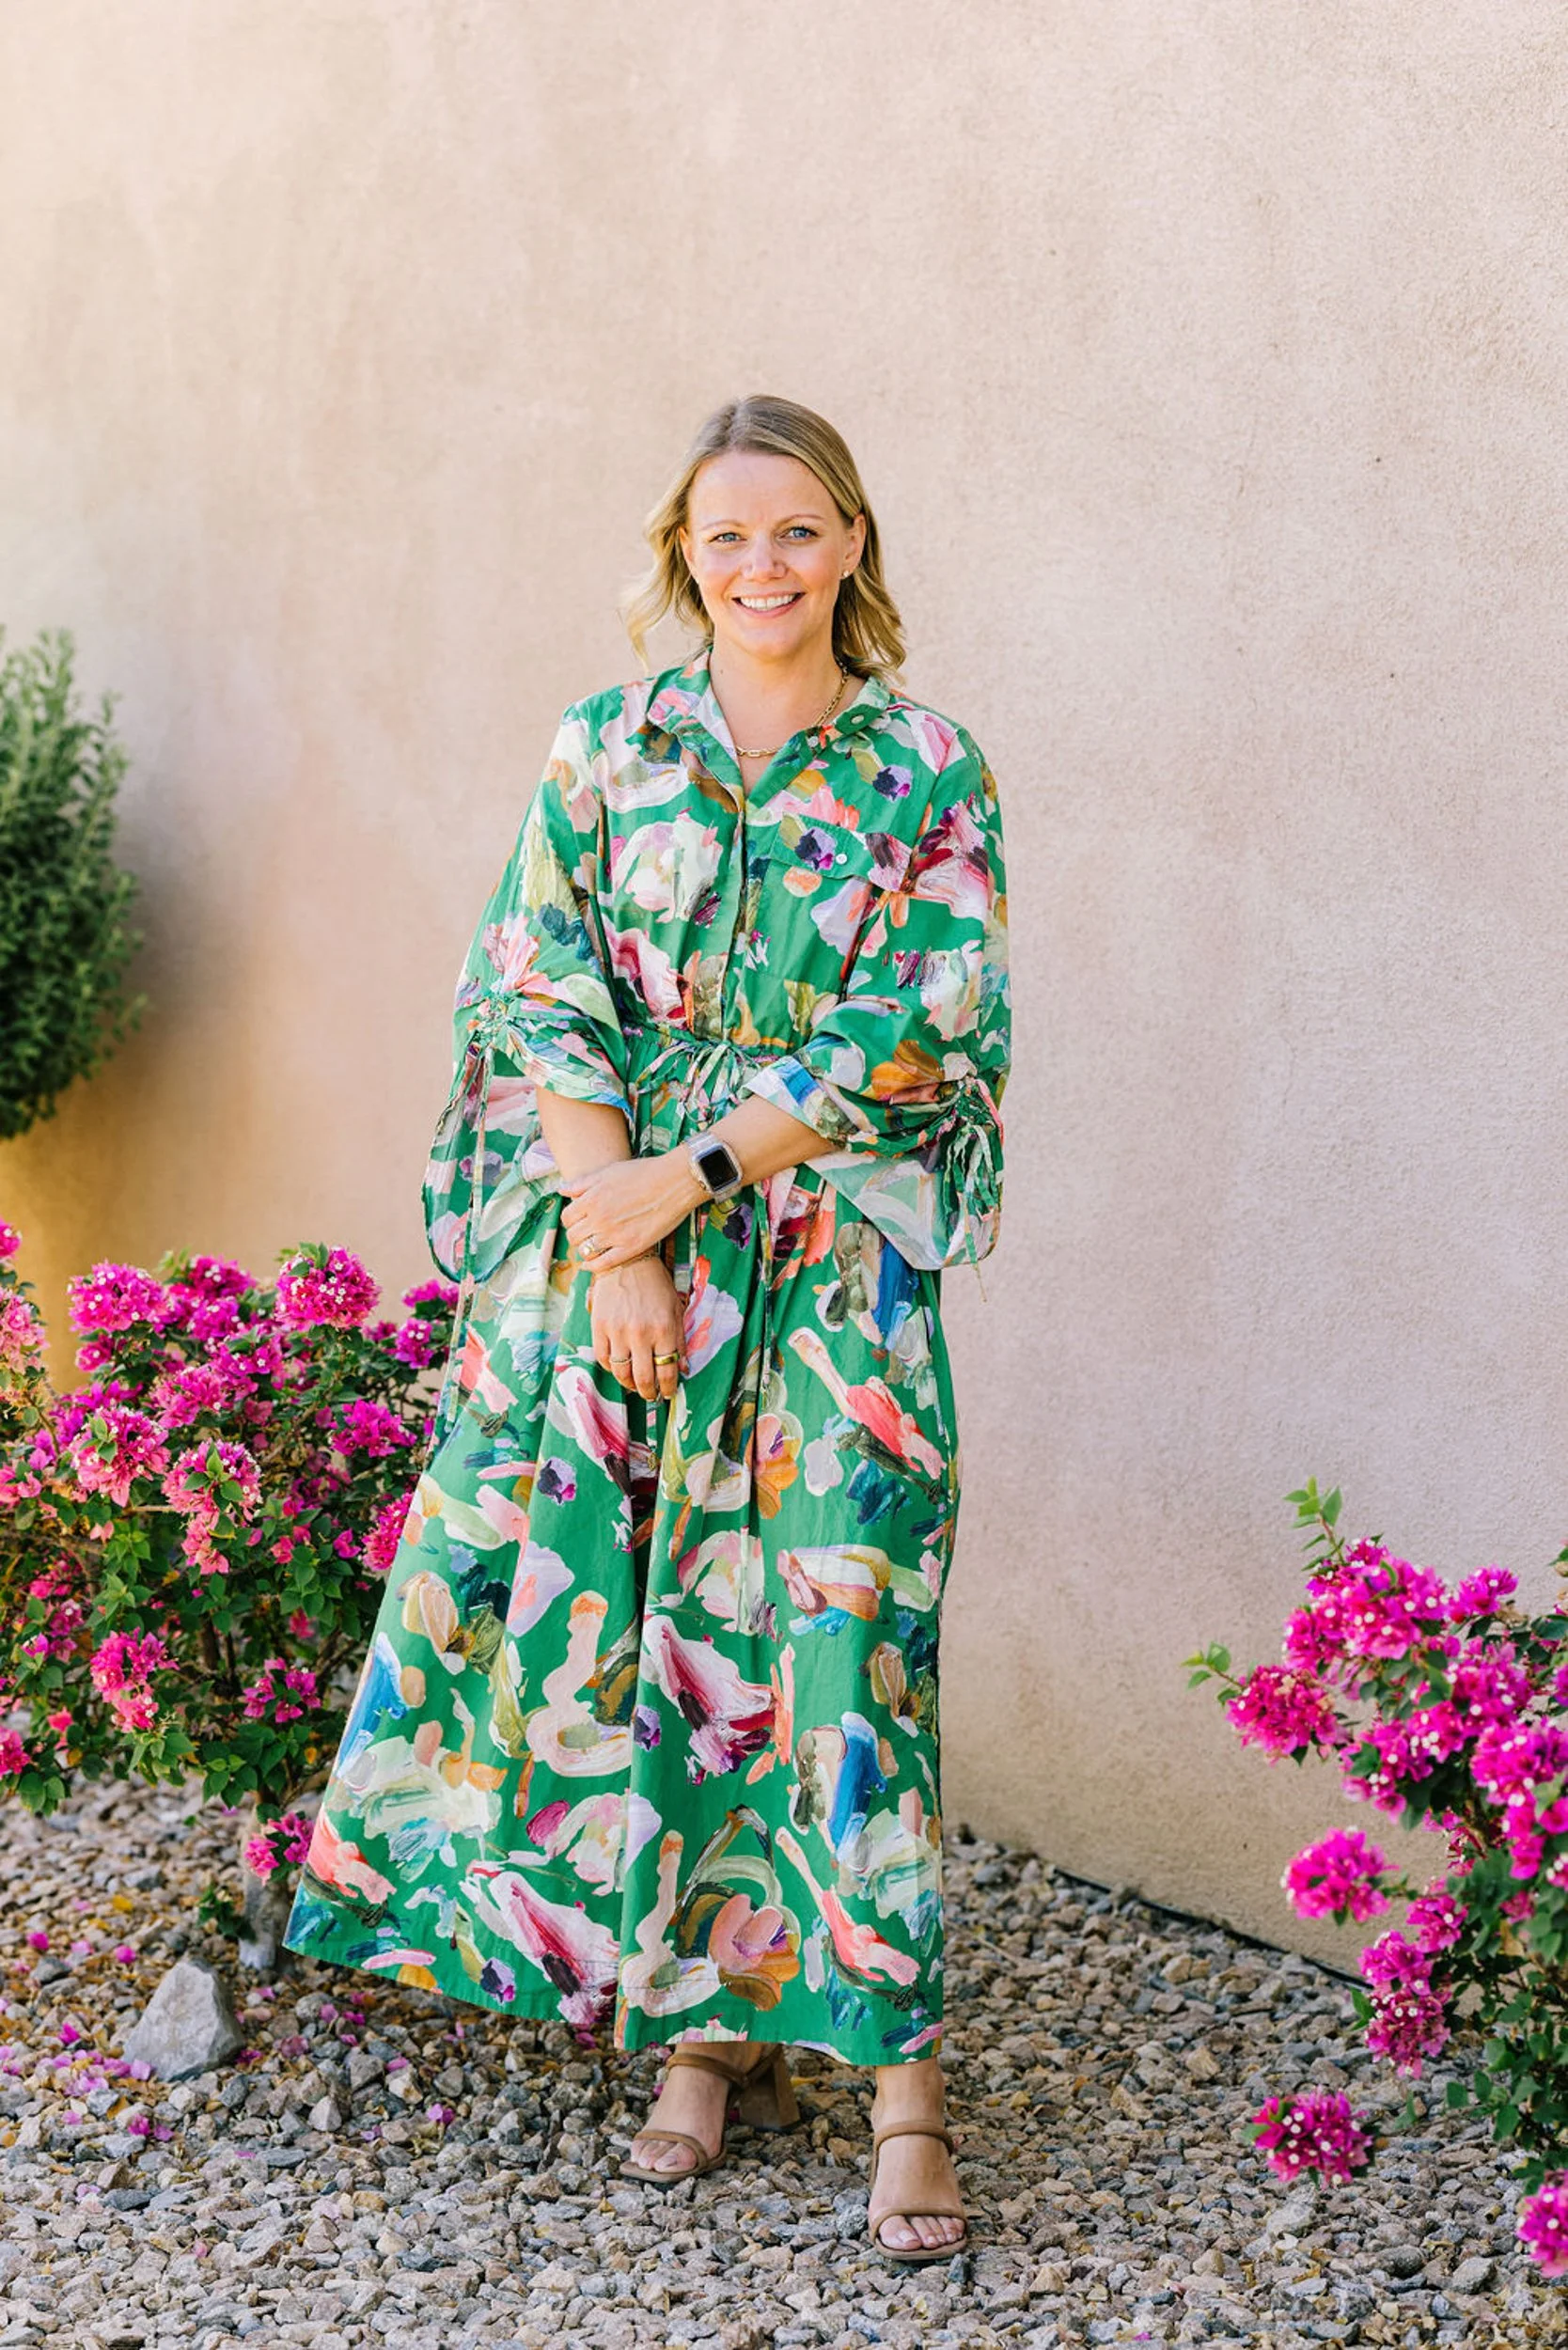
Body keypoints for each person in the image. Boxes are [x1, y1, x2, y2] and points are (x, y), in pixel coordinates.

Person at [285, 394, 1011, 2263]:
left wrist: (687, 1181)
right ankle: (696, 2031)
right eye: (724, 532)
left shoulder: (926, 764)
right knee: (671, 1626)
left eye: (796, 529)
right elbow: (536, 988)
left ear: (854, 540)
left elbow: (914, 1024)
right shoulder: (608, 746)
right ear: (680, 547)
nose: (758, 564)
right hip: (624, 1252)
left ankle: (906, 2085)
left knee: (845, 1633)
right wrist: (617, 1244)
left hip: (824, 1254)